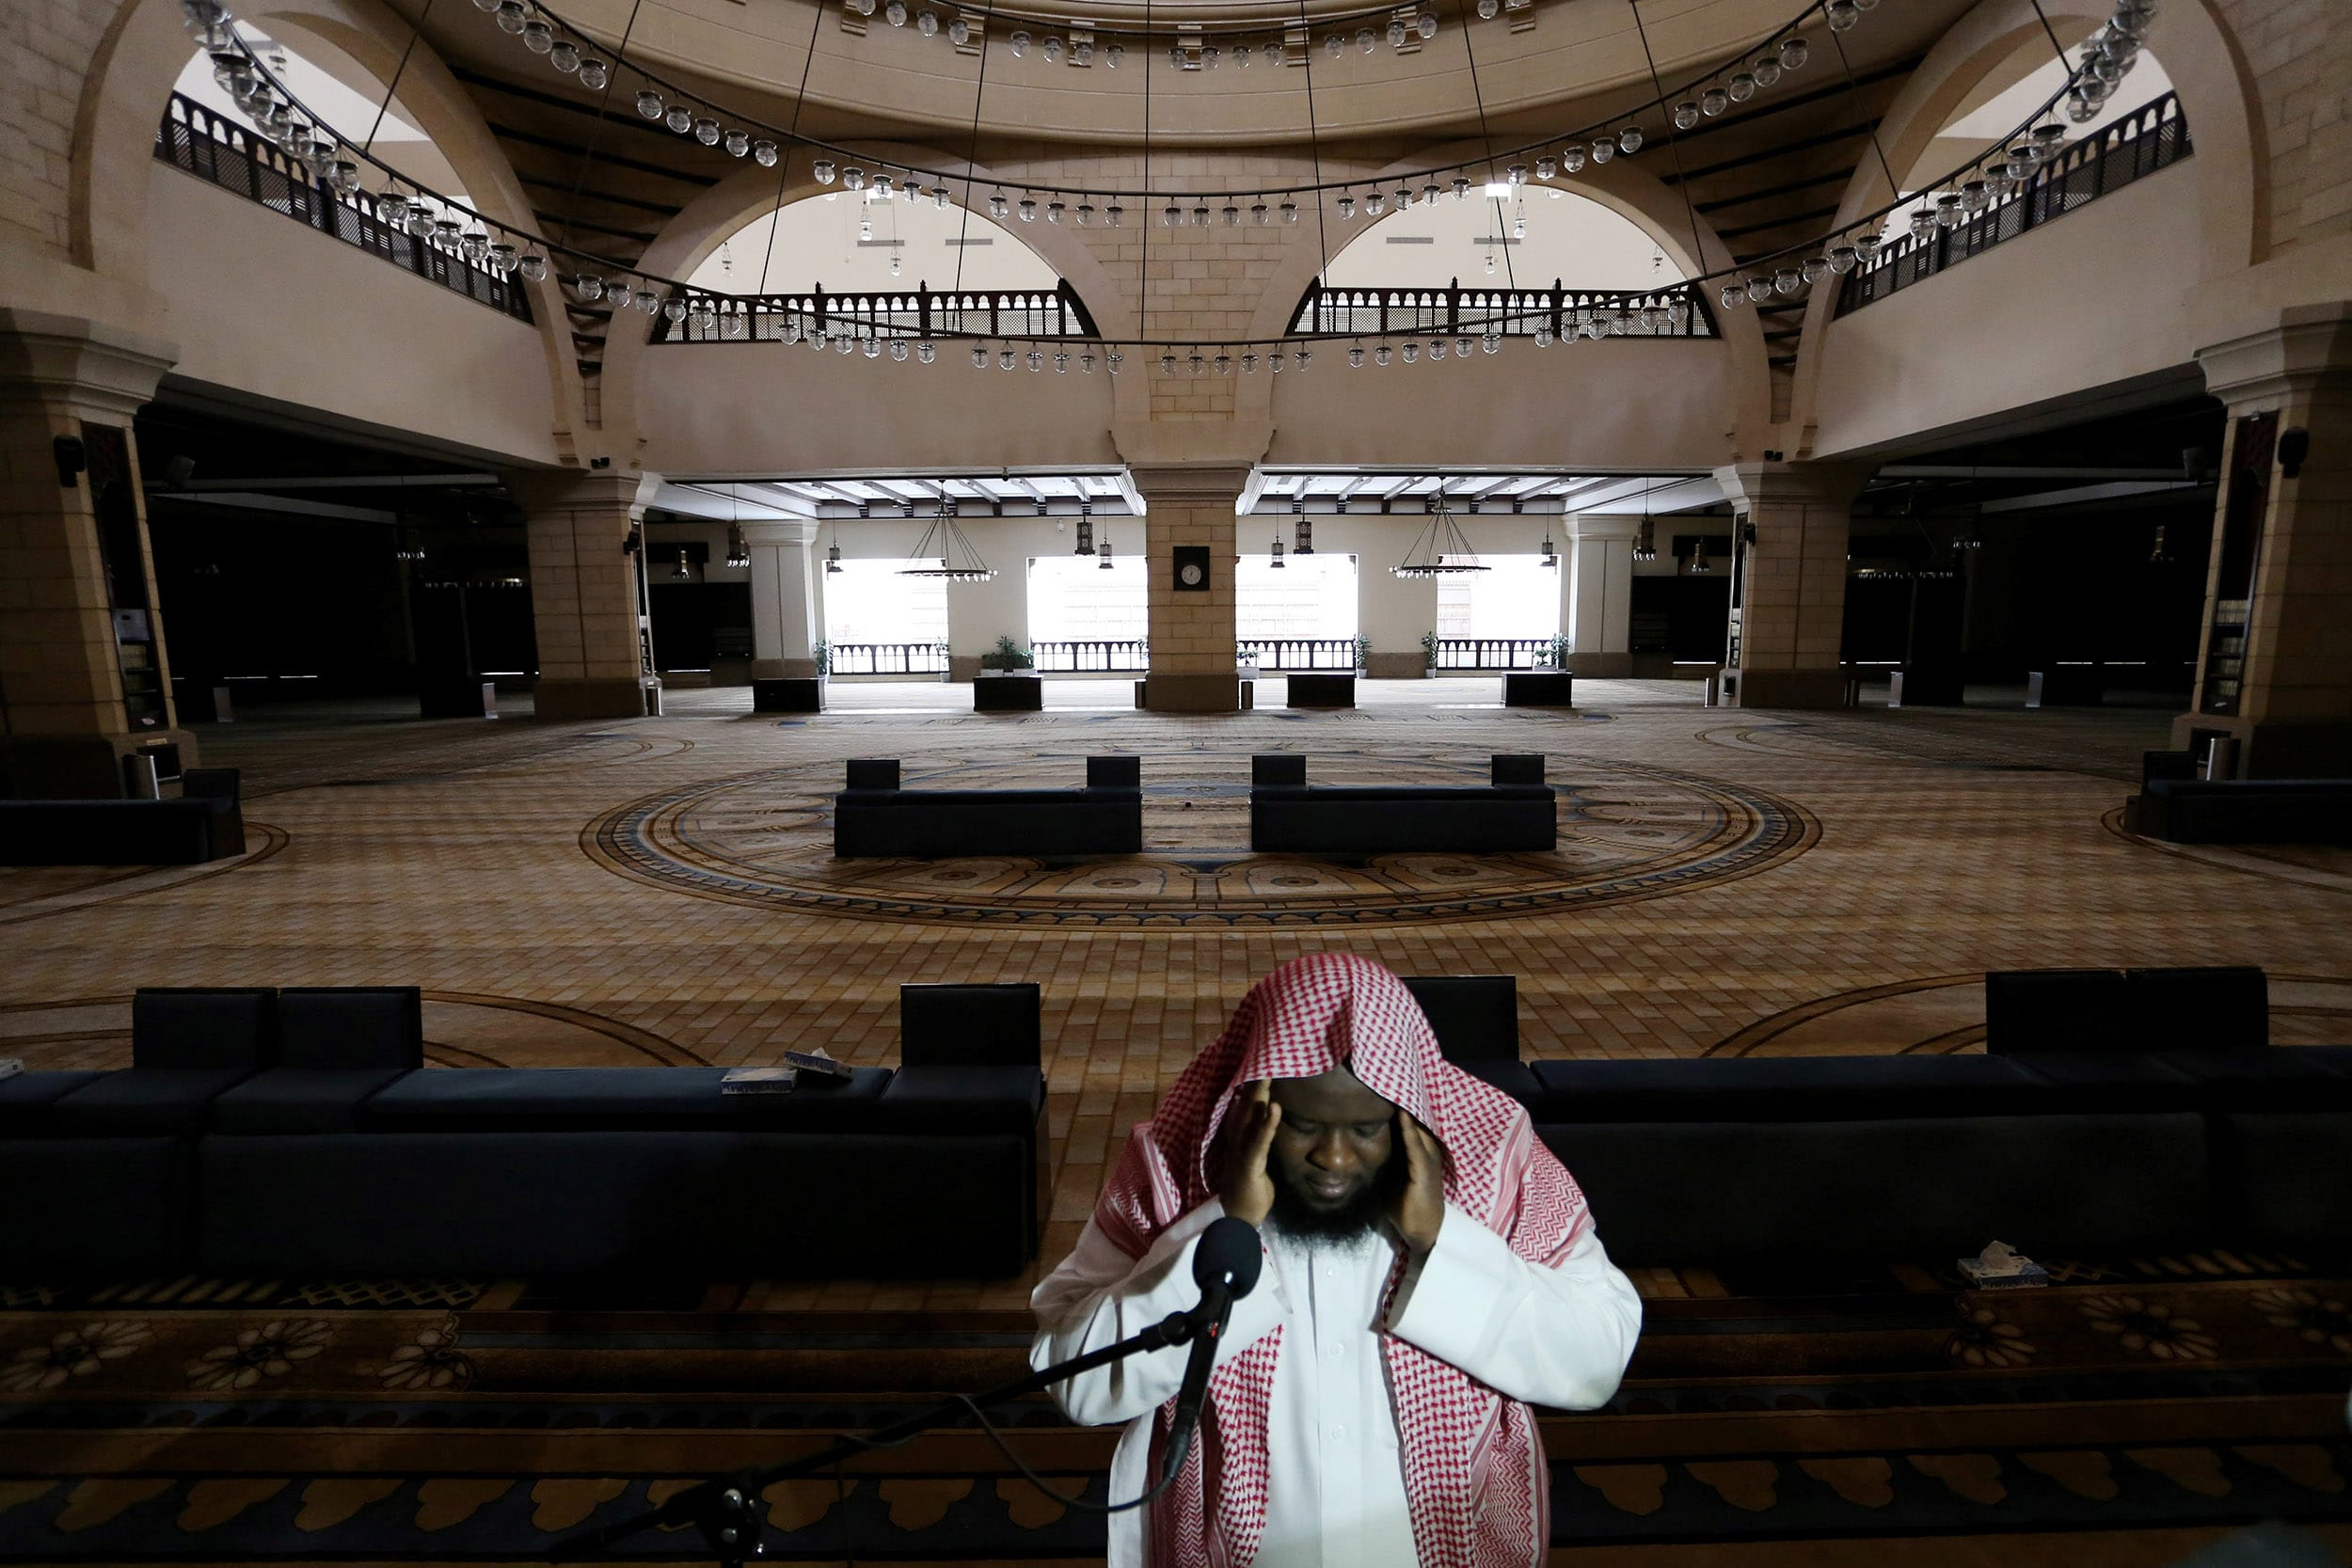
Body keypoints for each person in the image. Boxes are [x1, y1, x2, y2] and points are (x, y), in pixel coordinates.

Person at [1030, 953, 1642, 1568]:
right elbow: (1075, 1381)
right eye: (1301, 1124)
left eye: (1367, 1130)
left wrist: (1441, 1237)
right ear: (1250, 1101)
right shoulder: (1169, 1168)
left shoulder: (1494, 1164)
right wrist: (1224, 1221)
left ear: (1410, 1113)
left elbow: (1597, 1361)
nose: (1335, 1158)